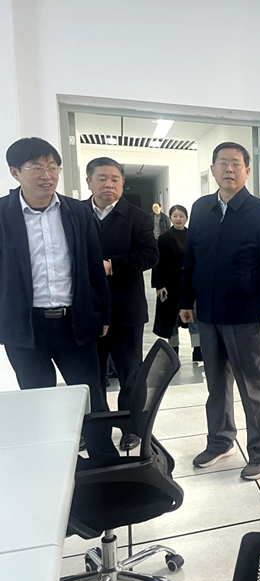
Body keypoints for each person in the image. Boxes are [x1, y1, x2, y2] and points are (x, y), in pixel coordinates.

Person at [0, 138, 116, 457]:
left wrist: (103, 313)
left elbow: (93, 265)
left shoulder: (76, 211)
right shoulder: (3, 214)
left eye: (53, 167)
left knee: (91, 398)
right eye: (37, 167)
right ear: (15, 172)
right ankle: (54, 462)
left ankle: (105, 461)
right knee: (39, 401)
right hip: (26, 329)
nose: (47, 175)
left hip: (74, 323)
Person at [180, 142, 260, 481]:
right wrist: (185, 301)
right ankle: (221, 441)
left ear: (247, 171)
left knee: (255, 387)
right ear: (212, 169)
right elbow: (190, 260)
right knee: (216, 384)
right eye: (222, 163)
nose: (229, 169)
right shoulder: (201, 209)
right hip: (208, 315)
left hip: (247, 316)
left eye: (236, 163)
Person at [85, 157, 159, 451]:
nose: (109, 184)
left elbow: (150, 255)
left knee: (131, 374)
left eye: (115, 179)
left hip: (126, 310)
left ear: (123, 183)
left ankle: (131, 426)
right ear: (89, 181)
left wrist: (112, 265)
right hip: (88, 310)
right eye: (102, 178)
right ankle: (95, 428)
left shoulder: (138, 217)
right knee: (91, 376)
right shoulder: (76, 213)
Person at [152, 204, 202, 362]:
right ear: (170, 218)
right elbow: (157, 262)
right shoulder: (164, 238)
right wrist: (159, 284)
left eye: (181, 216)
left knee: (194, 315)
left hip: (189, 283)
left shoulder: (193, 236)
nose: (178, 219)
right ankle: (173, 350)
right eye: (175, 216)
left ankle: (197, 349)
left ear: (186, 218)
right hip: (169, 284)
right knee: (171, 319)